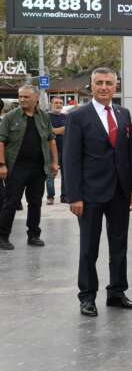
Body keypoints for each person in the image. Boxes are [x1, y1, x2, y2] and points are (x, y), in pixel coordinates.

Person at [63, 67, 132, 317]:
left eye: (109, 83)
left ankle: (117, 292)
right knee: (89, 248)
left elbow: (130, 153)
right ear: (91, 85)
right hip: (89, 195)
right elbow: (71, 159)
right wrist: (73, 196)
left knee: (119, 246)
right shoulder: (78, 117)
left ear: (116, 86)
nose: (104, 87)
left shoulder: (123, 113)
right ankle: (87, 297)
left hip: (119, 192)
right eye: (99, 83)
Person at [0, 85, 58, 250]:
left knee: (35, 202)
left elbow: (50, 139)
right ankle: (3, 236)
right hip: (16, 167)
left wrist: (54, 162)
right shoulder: (10, 117)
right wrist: (2, 164)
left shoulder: (44, 117)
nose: (22, 100)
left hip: (38, 167)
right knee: (11, 202)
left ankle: (34, 235)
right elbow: (1, 141)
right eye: (20, 97)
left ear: (36, 98)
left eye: (26, 97)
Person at [46, 96, 67, 205]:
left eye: (60, 103)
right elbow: (48, 132)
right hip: (51, 150)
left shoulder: (66, 116)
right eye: (56, 103)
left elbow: (70, 131)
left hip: (65, 149)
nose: (58, 105)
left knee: (66, 174)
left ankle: (64, 196)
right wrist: (61, 130)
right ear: (51, 104)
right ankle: (50, 197)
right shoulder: (46, 117)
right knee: (51, 174)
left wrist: (56, 131)